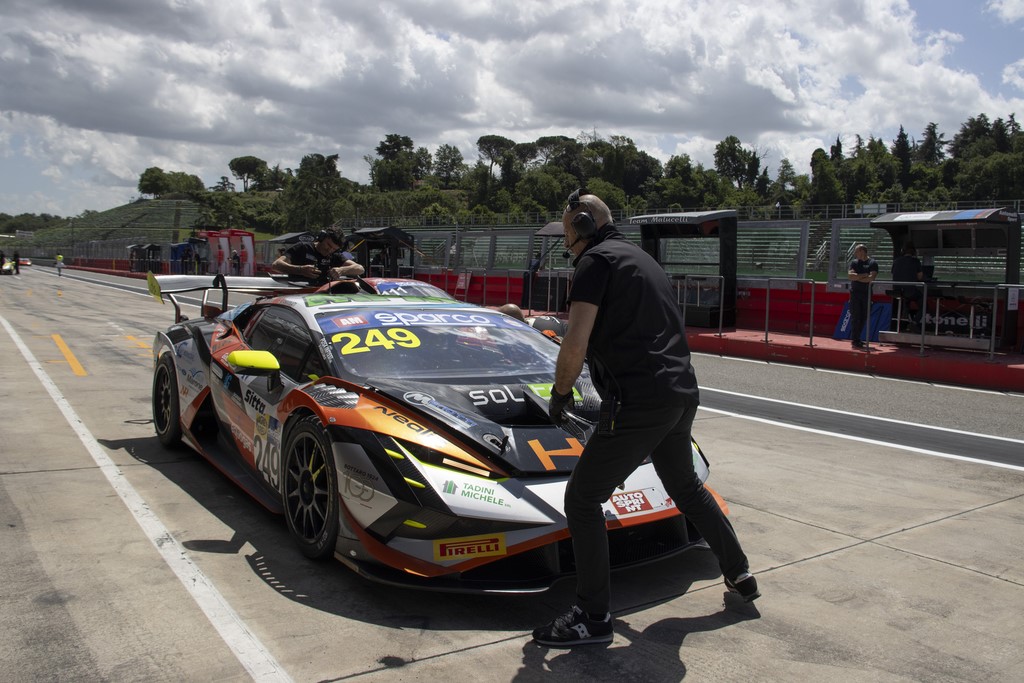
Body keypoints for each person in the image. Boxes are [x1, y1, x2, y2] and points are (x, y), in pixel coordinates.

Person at [532, 190, 758, 648]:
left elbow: (576, 340)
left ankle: (593, 616)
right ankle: (740, 573)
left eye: (568, 233)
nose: (568, 244)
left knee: (582, 498)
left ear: (584, 225)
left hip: (639, 400)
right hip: (680, 392)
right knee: (685, 486)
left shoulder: (595, 262)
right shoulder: (642, 259)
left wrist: (560, 393)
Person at [271, 229, 364, 285]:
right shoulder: (302, 248)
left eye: (334, 249)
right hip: (297, 292)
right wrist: (300, 270)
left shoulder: (335, 255)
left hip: (321, 295)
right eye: (328, 245)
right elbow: (276, 265)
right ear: (321, 238)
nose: (330, 250)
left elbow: (360, 268)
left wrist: (342, 270)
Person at [847, 243, 879, 349]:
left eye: (856, 251)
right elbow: (850, 276)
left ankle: (858, 338)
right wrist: (863, 275)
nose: (855, 253)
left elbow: (871, 278)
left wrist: (858, 278)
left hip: (866, 293)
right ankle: (855, 340)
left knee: (863, 317)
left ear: (862, 251)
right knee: (856, 316)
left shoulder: (872, 263)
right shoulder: (854, 263)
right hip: (855, 293)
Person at [891, 242, 923, 328]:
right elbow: (920, 277)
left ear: (902, 251)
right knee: (923, 303)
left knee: (906, 300)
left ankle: (905, 320)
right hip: (909, 291)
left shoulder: (896, 261)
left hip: (897, 291)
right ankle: (914, 322)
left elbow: (893, 274)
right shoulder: (916, 261)